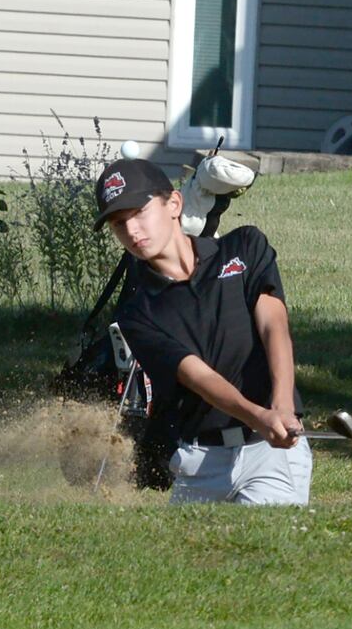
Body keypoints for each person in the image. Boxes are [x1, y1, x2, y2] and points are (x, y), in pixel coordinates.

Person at [94, 158, 312, 505]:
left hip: (268, 455)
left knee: (262, 549)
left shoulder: (244, 249)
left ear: (174, 204)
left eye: (139, 213)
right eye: (120, 225)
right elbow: (198, 377)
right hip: (199, 462)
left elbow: (275, 326)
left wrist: (282, 404)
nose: (132, 232)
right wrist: (260, 415)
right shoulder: (137, 312)